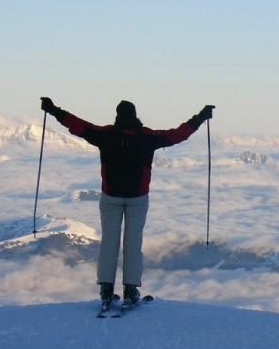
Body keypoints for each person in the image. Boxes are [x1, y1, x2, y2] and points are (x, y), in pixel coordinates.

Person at [40, 97, 214, 310]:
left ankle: (106, 289)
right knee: (133, 243)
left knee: (109, 243)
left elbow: (78, 125)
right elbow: (177, 135)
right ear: (135, 115)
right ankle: (130, 290)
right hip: (138, 199)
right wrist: (200, 117)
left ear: (117, 116)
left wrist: (54, 110)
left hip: (110, 197)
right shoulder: (147, 137)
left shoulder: (105, 135)